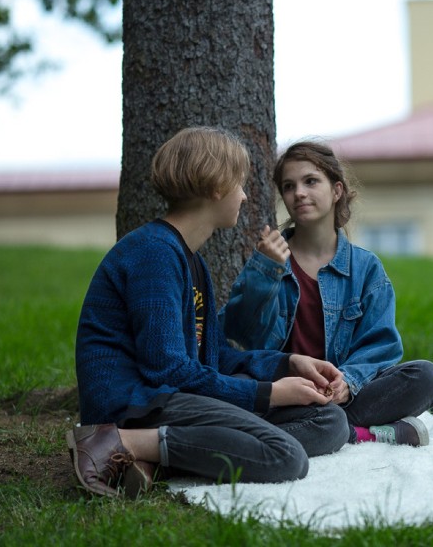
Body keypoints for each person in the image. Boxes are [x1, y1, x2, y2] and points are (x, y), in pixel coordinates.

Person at [68, 127, 350, 499]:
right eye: (240, 184)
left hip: (173, 398)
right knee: (285, 456)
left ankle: (154, 454)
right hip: (136, 404)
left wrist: (288, 364)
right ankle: (118, 442)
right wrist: (268, 394)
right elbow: (166, 369)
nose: (244, 195)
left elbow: (214, 357)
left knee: (328, 421)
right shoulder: (154, 253)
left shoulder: (192, 261)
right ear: (216, 186)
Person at [221, 140, 433, 447]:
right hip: (285, 394)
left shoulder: (365, 268)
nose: (299, 192)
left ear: (337, 190)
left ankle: (328, 428)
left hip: (343, 398)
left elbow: (381, 345)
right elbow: (243, 336)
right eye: (289, 186)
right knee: (235, 387)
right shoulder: (269, 261)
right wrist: (265, 273)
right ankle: (356, 434)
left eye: (310, 181)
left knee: (428, 377)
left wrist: (348, 383)